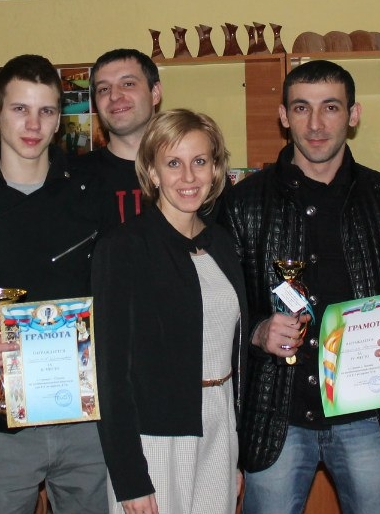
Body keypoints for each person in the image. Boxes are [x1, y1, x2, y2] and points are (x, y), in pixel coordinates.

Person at [216, 60, 380, 514]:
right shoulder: (243, 203)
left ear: (353, 114)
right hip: (276, 415)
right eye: (302, 108)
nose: (316, 124)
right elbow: (221, 306)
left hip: (368, 414)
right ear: (284, 116)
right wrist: (258, 332)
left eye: (331, 107)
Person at [0, 54, 107, 514]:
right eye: (19, 109)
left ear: (59, 120)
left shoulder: (92, 196)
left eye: (46, 111)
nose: (33, 124)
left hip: (84, 417)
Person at [94, 109, 246, 514]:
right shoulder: (123, 247)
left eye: (200, 161)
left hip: (220, 426)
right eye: (173, 163)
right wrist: (129, 477)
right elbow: (110, 374)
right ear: (153, 172)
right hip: (155, 437)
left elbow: (231, 348)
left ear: (215, 169)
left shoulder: (223, 244)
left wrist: (236, 452)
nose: (189, 176)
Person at [75, 49, 163, 225]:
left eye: (128, 84)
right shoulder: (75, 178)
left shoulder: (191, 172)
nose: (114, 95)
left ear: (155, 93)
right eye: (104, 89)